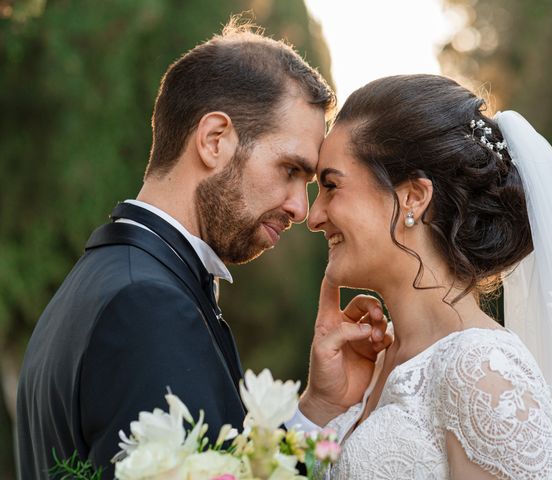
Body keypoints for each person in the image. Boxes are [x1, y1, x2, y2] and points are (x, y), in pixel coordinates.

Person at [16, 21, 390, 480]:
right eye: (290, 169)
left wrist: (320, 407)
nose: (299, 208)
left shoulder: (107, 281)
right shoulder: (146, 307)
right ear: (215, 140)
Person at [306, 74, 552, 479]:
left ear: (413, 197)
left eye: (331, 186)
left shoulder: (482, 372)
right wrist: (322, 405)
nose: (313, 216)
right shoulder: (377, 364)